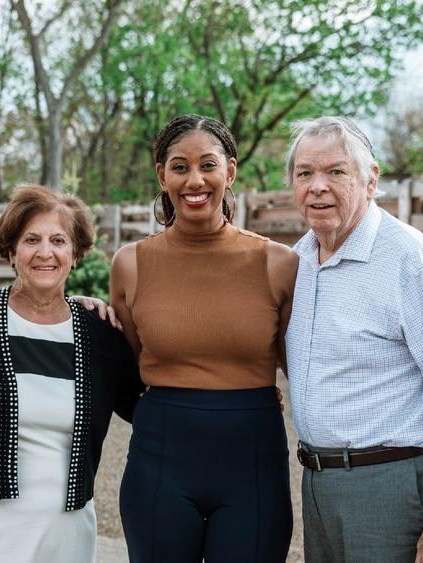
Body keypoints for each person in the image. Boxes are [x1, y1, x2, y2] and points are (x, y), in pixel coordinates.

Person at [283, 116, 423, 562]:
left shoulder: (409, 259)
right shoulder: (297, 261)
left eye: (336, 172)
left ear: (371, 179)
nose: (317, 186)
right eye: (305, 173)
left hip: (395, 487)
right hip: (318, 484)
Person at [111, 114, 299, 562]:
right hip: (161, 459)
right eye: (180, 166)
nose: (194, 180)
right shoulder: (130, 263)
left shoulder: (280, 264)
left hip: (252, 460)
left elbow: (302, 366)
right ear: (163, 175)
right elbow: (128, 363)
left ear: (230, 172)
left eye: (208, 165)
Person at [0, 184, 143, 563]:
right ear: (12, 251)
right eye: (31, 239)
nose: (45, 252)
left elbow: (149, 408)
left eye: (58, 240)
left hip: (66, 530)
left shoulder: (101, 335)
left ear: (75, 253)